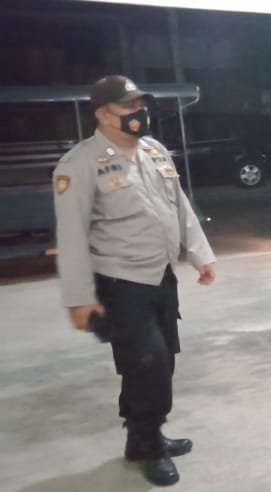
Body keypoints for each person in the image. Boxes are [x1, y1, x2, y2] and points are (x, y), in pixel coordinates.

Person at [53, 75, 216, 486]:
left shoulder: (154, 151)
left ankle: (141, 437)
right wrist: (79, 298)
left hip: (161, 275)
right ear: (103, 114)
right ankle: (151, 445)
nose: (138, 112)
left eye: (140, 104)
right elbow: (71, 236)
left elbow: (180, 206)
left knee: (159, 360)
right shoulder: (80, 163)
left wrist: (201, 254)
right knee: (149, 363)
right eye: (128, 106)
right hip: (120, 282)